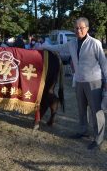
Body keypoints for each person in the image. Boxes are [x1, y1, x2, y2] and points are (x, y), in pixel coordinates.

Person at [39, 17, 107, 150]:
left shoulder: (95, 43)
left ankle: (98, 138)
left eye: (81, 28)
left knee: (96, 111)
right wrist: (43, 46)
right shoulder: (72, 43)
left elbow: (104, 64)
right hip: (79, 80)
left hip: (94, 81)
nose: (78, 30)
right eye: (76, 28)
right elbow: (57, 47)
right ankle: (82, 131)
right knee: (81, 109)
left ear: (87, 28)